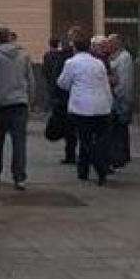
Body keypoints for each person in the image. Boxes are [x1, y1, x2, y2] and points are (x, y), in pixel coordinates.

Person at [57, 35, 113, 185]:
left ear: (74, 48)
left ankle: (95, 168)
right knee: (98, 139)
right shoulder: (98, 63)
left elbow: (62, 83)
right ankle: (84, 169)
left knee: (85, 139)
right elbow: (105, 84)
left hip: (82, 108)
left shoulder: (71, 63)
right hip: (102, 107)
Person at [0, 26, 34, 190]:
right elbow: (31, 80)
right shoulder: (24, 55)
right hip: (19, 104)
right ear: (8, 37)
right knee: (19, 142)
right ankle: (19, 177)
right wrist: (30, 101)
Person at [42, 31, 77, 164]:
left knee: (68, 128)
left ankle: (70, 155)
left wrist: (54, 95)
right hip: (73, 97)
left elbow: (57, 79)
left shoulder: (62, 58)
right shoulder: (71, 56)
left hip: (63, 98)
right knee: (73, 129)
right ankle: (73, 154)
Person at [108, 34, 135, 170]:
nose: (109, 46)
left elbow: (123, 81)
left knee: (120, 129)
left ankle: (121, 156)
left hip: (120, 99)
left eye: (111, 43)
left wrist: (117, 93)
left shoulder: (124, 58)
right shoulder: (115, 57)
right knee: (119, 130)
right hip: (117, 98)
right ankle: (121, 155)